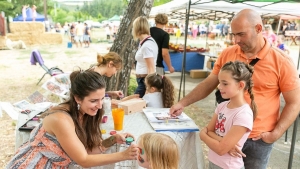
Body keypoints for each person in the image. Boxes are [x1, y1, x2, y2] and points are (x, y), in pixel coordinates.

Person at [170, 9, 300, 169]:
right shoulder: (228, 53)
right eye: (233, 34)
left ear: (258, 29)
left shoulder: (282, 61)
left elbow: (294, 103)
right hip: (223, 135)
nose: (236, 40)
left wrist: (275, 134)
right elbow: (209, 83)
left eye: (241, 34)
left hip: (257, 140)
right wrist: (183, 103)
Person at [6, 70, 139, 168]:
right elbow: (84, 159)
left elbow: (85, 150)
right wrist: (124, 155)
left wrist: (113, 139)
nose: (99, 105)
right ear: (77, 98)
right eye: (93, 101)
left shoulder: (85, 113)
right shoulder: (61, 119)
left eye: (102, 98)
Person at [200, 61, 257, 169]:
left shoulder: (243, 114)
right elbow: (210, 130)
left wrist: (203, 136)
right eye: (219, 82)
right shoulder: (222, 106)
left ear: (240, 85)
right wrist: (224, 143)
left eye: (225, 83)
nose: (219, 87)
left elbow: (220, 149)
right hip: (214, 162)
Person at [132, 16, 158, 98]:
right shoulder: (145, 42)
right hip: (142, 80)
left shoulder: (147, 45)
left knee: (135, 105)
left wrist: (148, 88)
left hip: (145, 81)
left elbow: (151, 69)